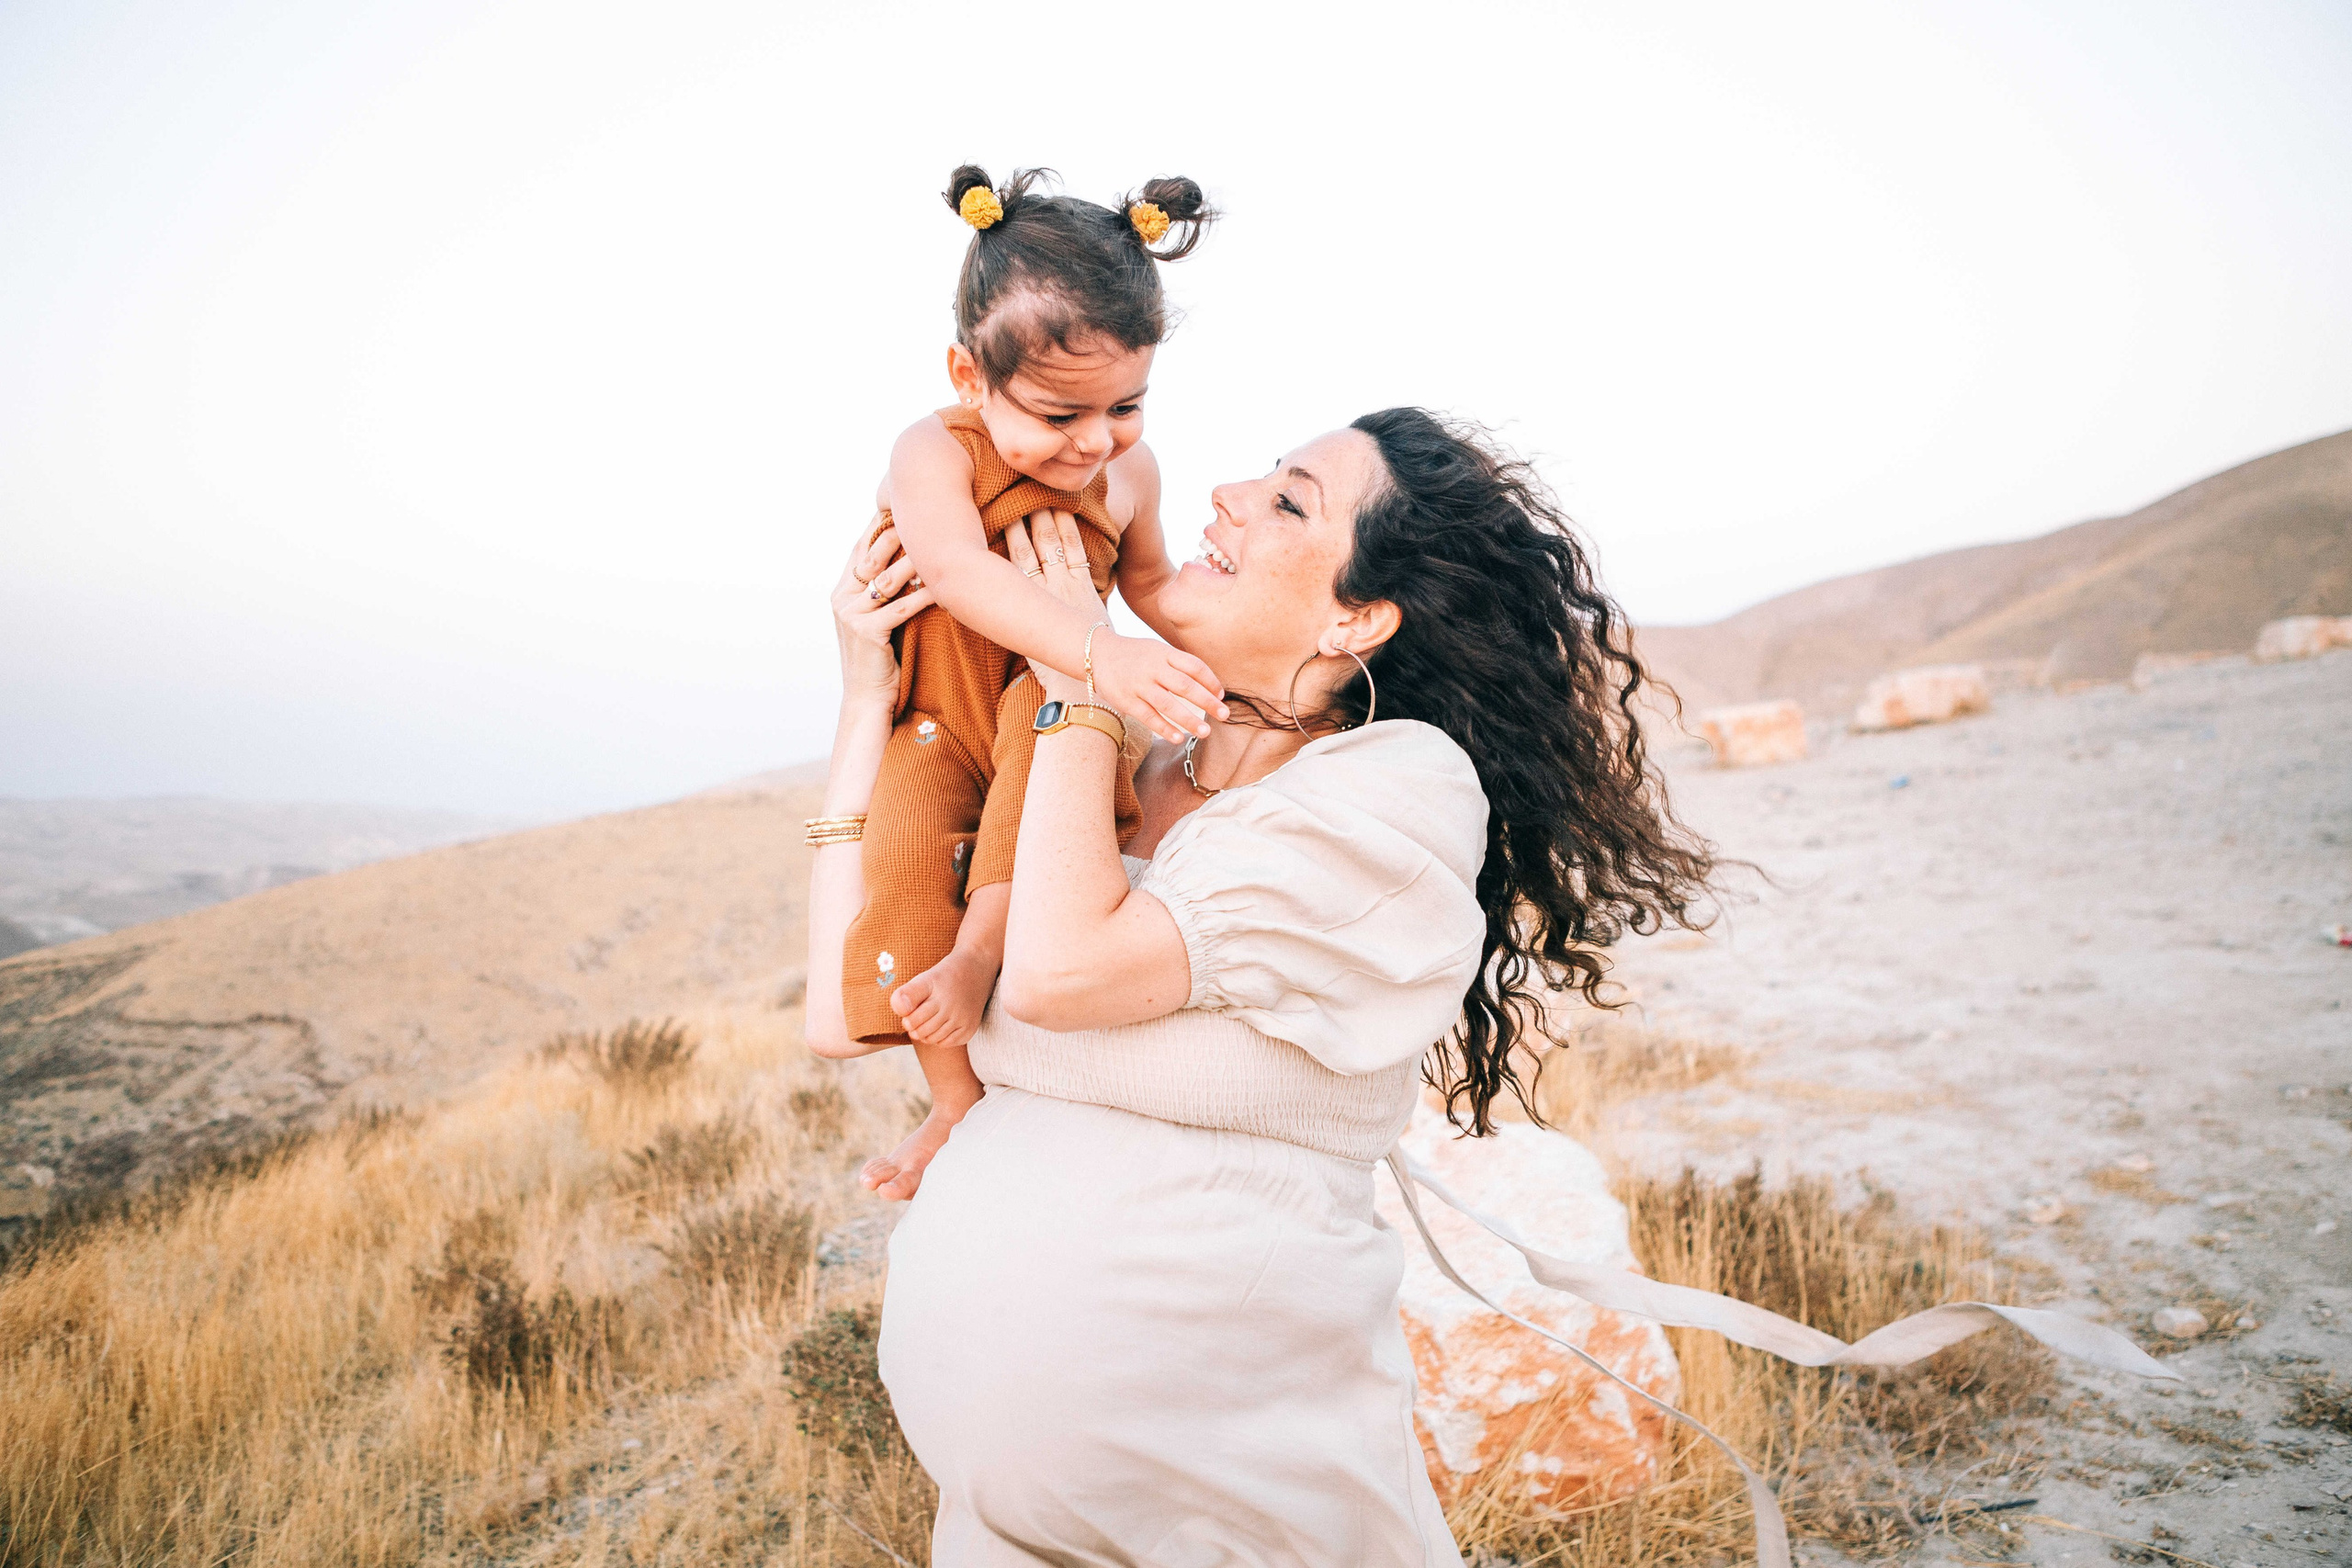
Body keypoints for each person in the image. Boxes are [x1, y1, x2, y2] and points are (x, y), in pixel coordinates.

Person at [810, 407, 1714, 1563]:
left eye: (1290, 500)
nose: (1227, 493)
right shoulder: (1119, 769)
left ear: (1358, 616)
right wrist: (864, 706)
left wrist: (1078, 673)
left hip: (1248, 1520)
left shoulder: (1392, 788)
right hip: (1006, 1528)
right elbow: (846, 1017)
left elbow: (1063, 972)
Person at [802, 165, 1229, 1203]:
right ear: (967, 376)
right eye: (1056, 414)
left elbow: (1153, 586)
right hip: (934, 716)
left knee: (1033, 802)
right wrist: (1103, 648)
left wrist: (1206, 650)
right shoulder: (933, 449)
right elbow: (952, 569)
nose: (1093, 442)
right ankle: (949, 1092)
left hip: (1053, 705)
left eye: (1125, 405)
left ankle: (980, 957)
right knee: (901, 862)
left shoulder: (1131, 476)